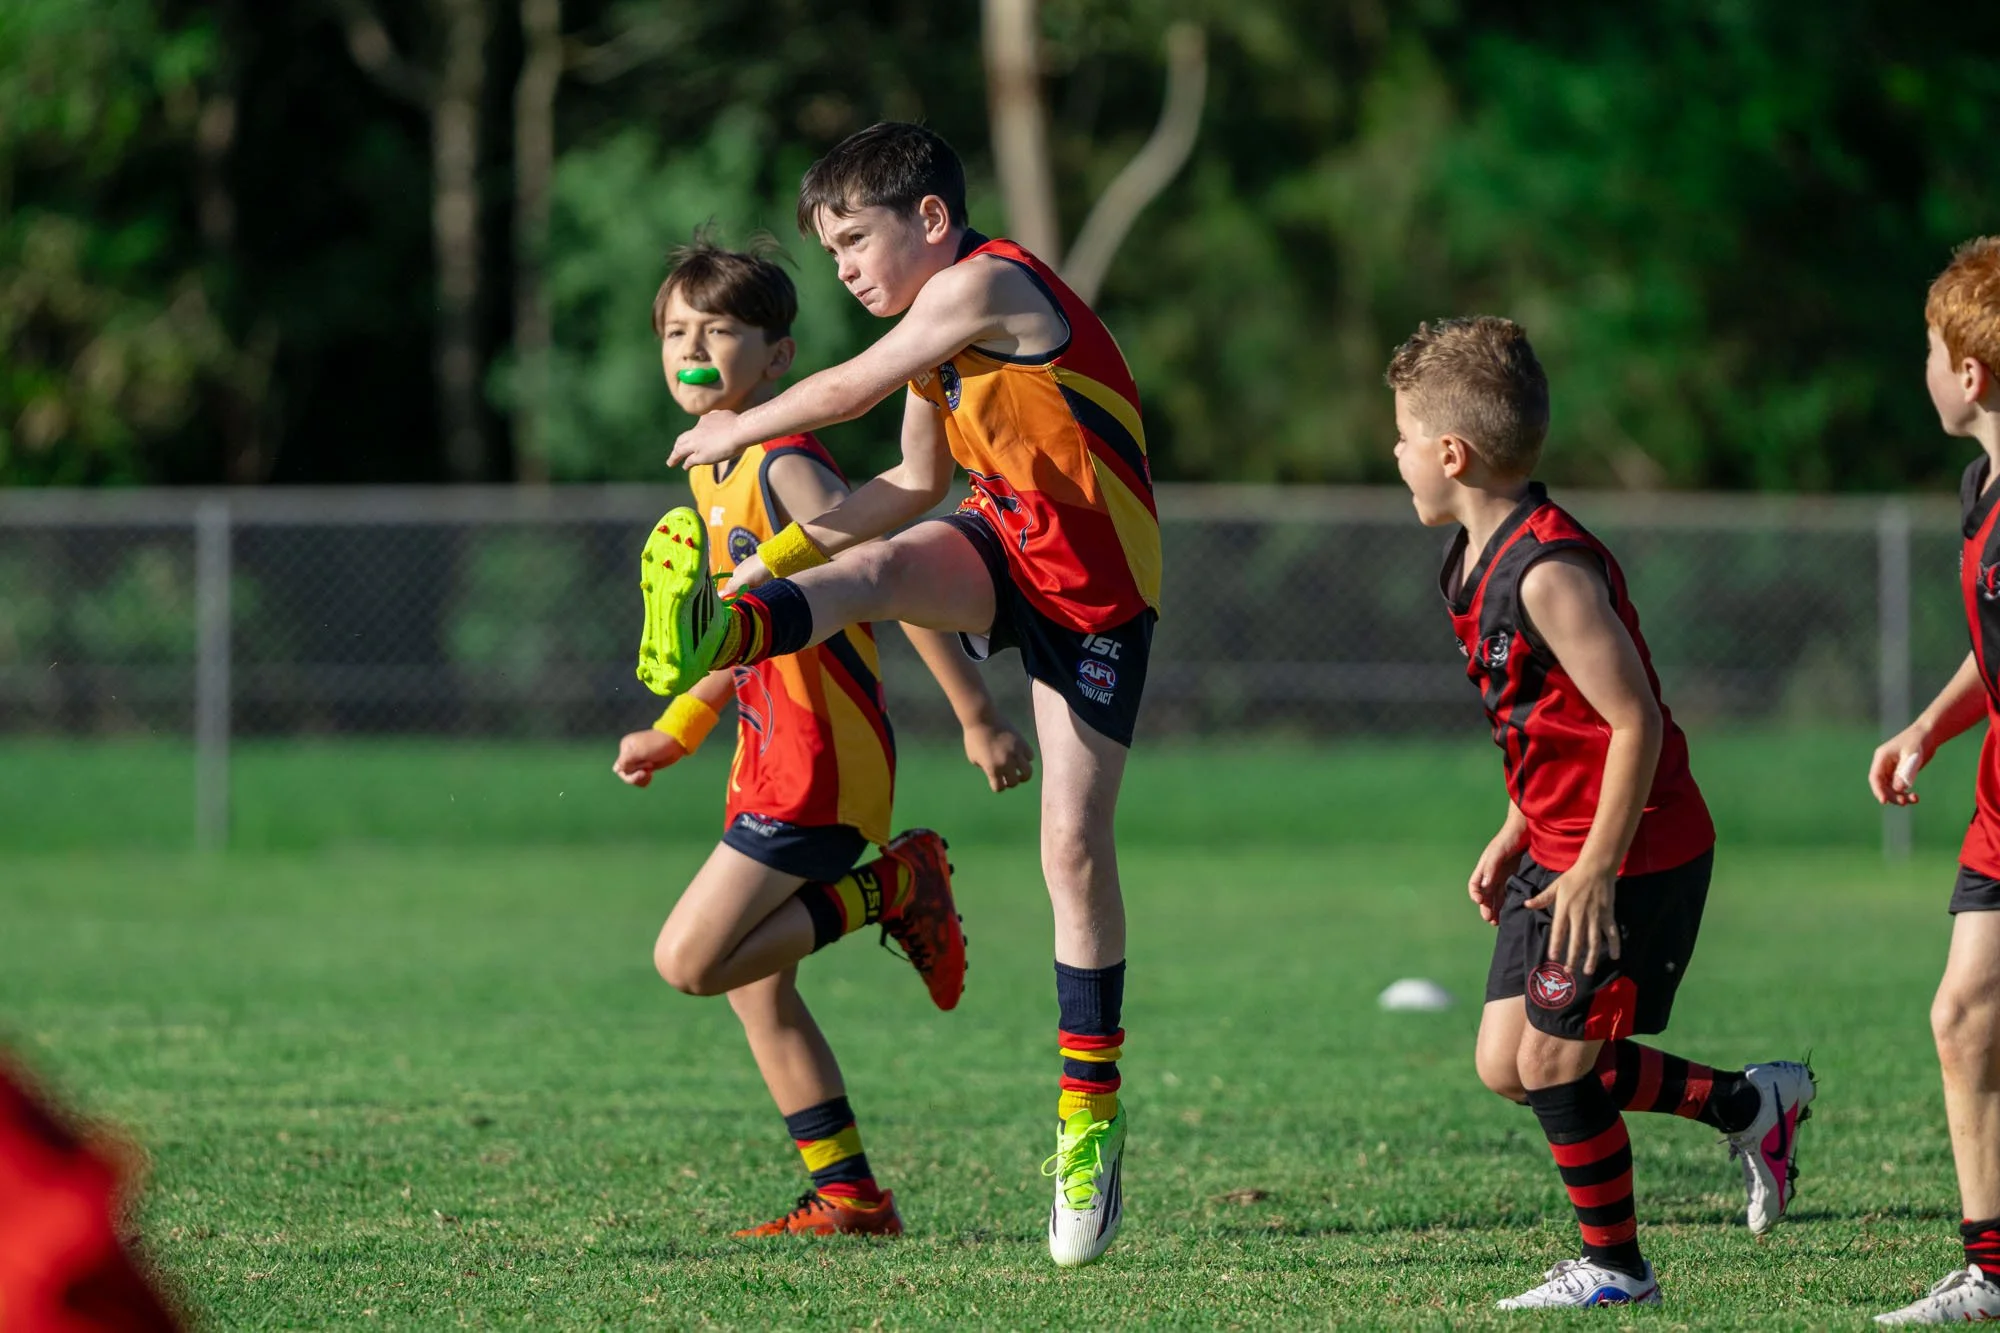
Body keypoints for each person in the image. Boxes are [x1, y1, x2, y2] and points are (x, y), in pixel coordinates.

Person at [648, 122, 1159, 1267]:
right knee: (871, 570)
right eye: (827, 252)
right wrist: (764, 567)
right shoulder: (935, 338)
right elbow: (907, 488)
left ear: (928, 220)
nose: (841, 268)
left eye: (851, 242)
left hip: (1096, 603)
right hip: (1001, 547)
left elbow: (842, 386)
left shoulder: (984, 285)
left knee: (1071, 849)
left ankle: (1086, 1117)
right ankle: (727, 630)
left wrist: (734, 427)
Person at [1387, 316, 1816, 1309]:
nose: (1395, 454)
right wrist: (1513, 826)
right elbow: (1546, 721)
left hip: (1632, 852)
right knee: (1508, 1061)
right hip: (1555, 845)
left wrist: (1592, 869)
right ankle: (1750, 1105)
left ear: (1451, 454)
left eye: (1403, 435)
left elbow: (1633, 724)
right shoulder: (1469, 559)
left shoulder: (1544, 572)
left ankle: (1616, 1267)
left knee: (1551, 1059)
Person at [618, 236, 1033, 1238]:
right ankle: (849, 1196)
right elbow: (743, 628)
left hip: (818, 756)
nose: (692, 347)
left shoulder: (779, 457)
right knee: (756, 992)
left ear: (778, 360)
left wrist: (975, 713)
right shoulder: (716, 470)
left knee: (690, 958)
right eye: (676, 330)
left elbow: (882, 577)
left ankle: (893, 885)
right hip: (767, 745)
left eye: (720, 331)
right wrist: (682, 724)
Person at [1869, 236, 2000, 1325]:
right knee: (1961, 1018)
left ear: (1968, 373)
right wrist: (1927, 724)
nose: (1919, 368)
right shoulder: (1981, 489)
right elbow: (1990, 642)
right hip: (1998, 807)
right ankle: (1990, 1273)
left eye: (1926, 347)